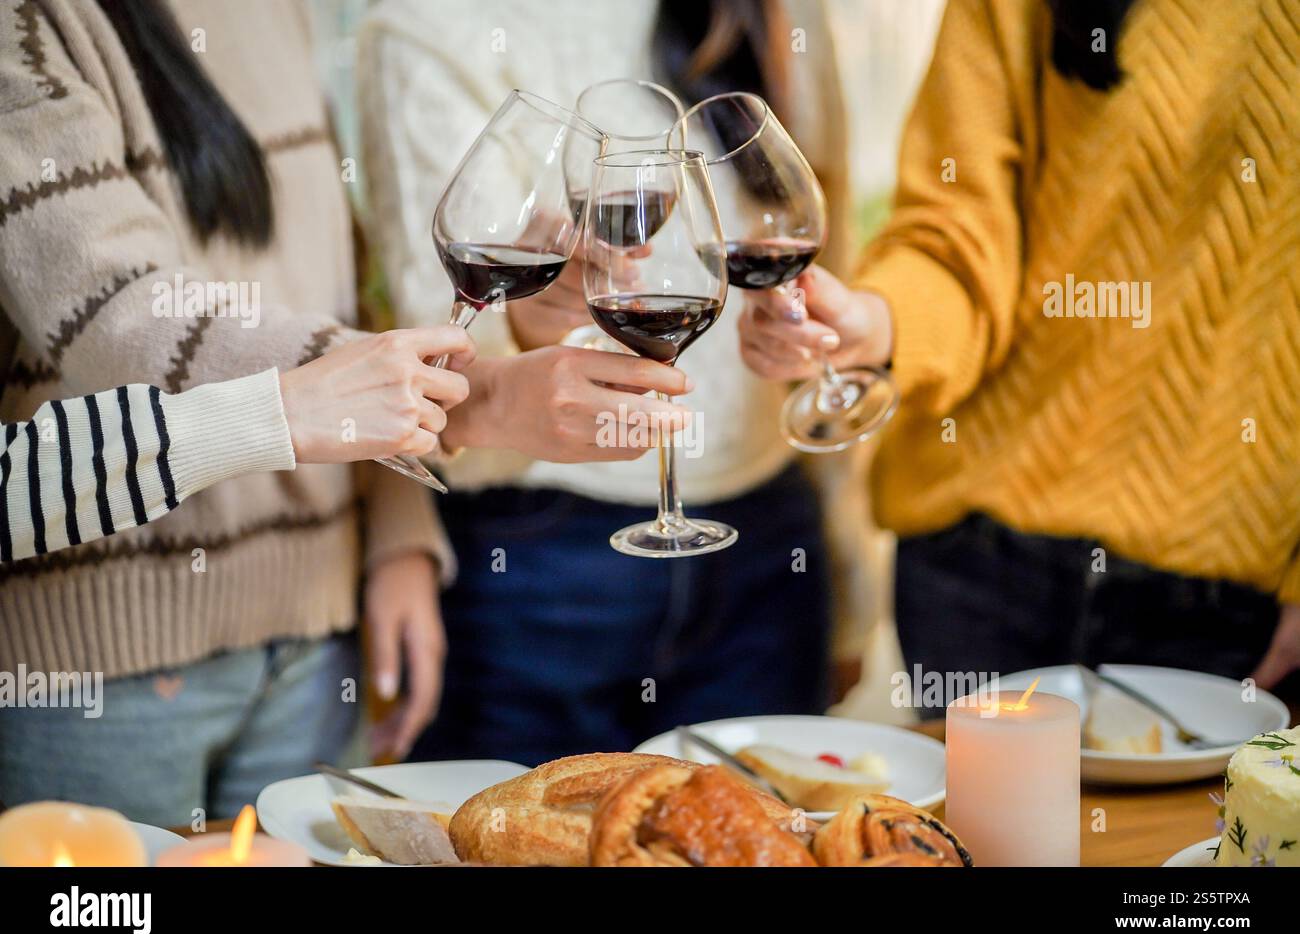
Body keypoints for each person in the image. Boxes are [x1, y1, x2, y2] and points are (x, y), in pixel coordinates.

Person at [0, 0, 682, 822]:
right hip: (104, 647)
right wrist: (478, 400)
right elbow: (121, 325)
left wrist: (399, 537)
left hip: (319, 626)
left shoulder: (277, 11)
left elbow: (345, 281)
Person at [738, 0, 1300, 713]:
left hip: (1234, 595)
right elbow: (955, 232)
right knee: (966, 828)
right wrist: (874, 323)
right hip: (977, 562)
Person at [357, 0, 867, 765]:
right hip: (540, 563)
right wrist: (535, 320)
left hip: (766, 544)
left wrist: (851, 571)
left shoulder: (760, 13)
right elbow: (442, 333)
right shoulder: (425, 26)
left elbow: (825, 251)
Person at [1, 327, 475, 563]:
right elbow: (126, 327)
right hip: (111, 624)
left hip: (321, 616)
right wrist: (278, 410)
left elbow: (356, 285)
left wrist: (401, 541)